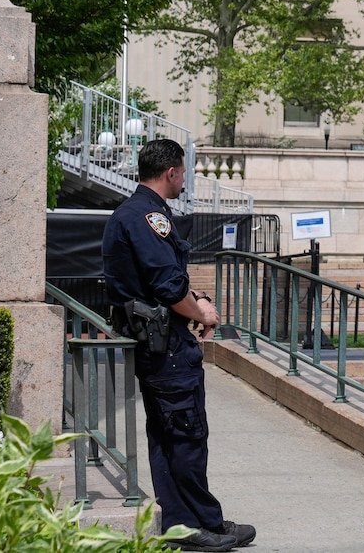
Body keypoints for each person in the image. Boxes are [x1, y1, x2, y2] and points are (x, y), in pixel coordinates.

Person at [103, 139, 256, 552]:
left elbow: (169, 282)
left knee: (172, 435)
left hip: (160, 343)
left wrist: (197, 301)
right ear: (171, 172)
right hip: (165, 347)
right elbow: (167, 285)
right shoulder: (148, 217)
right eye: (183, 173)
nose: (184, 180)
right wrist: (201, 313)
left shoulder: (134, 213)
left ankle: (200, 519)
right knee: (185, 435)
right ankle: (188, 526)